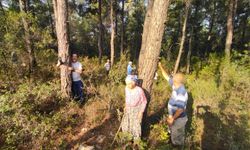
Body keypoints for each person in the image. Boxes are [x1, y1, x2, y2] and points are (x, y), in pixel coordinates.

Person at [158, 62, 188, 146]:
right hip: (173, 116)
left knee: (177, 134)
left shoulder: (181, 92)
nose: (172, 78)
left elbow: (181, 109)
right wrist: (160, 66)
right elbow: (167, 77)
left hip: (179, 118)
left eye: (174, 78)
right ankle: (172, 141)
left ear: (177, 81)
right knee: (172, 131)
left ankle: (176, 146)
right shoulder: (176, 85)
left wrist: (172, 119)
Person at [121, 75, 147, 140]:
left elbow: (144, 101)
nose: (128, 85)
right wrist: (125, 106)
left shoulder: (139, 90)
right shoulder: (126, 88)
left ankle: (136, 142)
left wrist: (141, 112)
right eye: (127, 84)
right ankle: (127, 139)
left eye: (130, 84)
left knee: (136, 125)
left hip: (137, 110)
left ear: (134, 82)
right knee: (126, 124)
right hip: (128, 109)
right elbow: (126, 97)